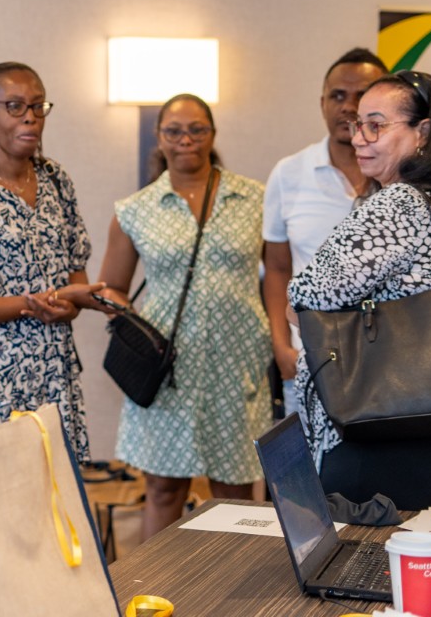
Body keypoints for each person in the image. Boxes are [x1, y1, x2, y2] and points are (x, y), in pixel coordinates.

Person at [288, 71, 431, 509]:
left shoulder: (399, 203)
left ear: (423, 134)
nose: (359, 138)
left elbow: (306, 298)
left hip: (379, 431)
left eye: (375, 125)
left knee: (356, 551)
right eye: (358, 124)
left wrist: (302, 307)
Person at [97, 93, 272, 540]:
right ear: (159, 137)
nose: (186, 140)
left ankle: (234, 581)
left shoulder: (255, 199)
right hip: (169, 367)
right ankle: (157, 580)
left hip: (237, 362)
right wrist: (138, 332)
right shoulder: (135, 209)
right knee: (163, 488)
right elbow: (111, 287)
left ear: (212, 134)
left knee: (235, 489)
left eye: (197, 129)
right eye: (174, 131)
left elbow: (278, 274)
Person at [0, 62, 102, 461]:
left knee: (58, 492)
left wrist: (71, 303)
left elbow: (75, 281)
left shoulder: (57, 180)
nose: (30, 117)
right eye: (14, 106)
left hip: (56, 373)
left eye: (37, 106)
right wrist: (33, 303)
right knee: (5, 493)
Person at [263, 49, 388, 417]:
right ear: (322, 103)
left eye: (361, 96)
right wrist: (282, 347)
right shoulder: (288, 173)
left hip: (392, 365)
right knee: (309, 455)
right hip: (311, 361)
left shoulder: (405, 178)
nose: (348, 106)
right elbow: (277, 269)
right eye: (338, 95)